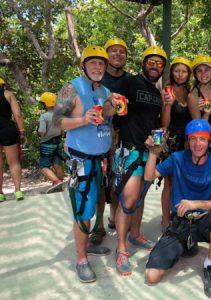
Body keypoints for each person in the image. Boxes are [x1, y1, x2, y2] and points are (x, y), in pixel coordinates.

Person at [53, 45, 121, 283]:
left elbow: (108, 121)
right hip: (80, 159)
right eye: (92, 63)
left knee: (95, 203)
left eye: (101, 63)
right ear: (83, 65)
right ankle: (81, 259)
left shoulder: (105, 90)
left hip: (99, 158)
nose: (97, 66)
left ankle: (88, 246)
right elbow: (57, 121)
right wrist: (83, 119)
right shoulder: (72, 88)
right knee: (83, 210)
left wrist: (115, 106)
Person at [144, 119, 211, 298]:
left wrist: (194, 203)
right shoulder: (177, 159)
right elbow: (149, 176)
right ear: (188, 140)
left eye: (202, 139)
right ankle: (186, 245)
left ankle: (210, 263)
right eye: (193, 139)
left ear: (209, 141)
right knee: (151, 276)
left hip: (204, 219)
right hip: (181, 221)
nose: (197, 144)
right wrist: (153, 153)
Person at [111, 45, 167, 276]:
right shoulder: (129, 82)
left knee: (141, 196)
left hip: (147, 151)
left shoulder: (156, 93)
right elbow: (114, 105)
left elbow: (156, 121)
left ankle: (135, 234)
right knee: (129, 199)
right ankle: (121, 248)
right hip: (130, 149)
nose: (155, 66)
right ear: (143, 63)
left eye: (160, 63)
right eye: (151, 62)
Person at [88, 37, 133, 246]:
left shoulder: (131, 80)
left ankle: (114, 218)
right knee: (99, 182)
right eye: (113, 51)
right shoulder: (97, 79)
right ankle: (98, 225)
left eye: (121, 51)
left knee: (117, 181)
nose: (118, 54)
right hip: (98, 137)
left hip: (122, 138)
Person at [160, 56, 192, 232]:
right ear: (172, 72)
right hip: (173, 141)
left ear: (189, 73)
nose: (180, 74)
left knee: (185, 181)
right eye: (177, 70)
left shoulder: (191, 91)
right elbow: (164, 123)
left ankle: (180, 215)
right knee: (170, 183)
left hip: (189, 142)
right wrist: (167, 105)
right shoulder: (168, 90)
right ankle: (166, 220)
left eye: (184, 71)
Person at [188, 54, 211, 153]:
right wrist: (206, 114)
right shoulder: (193, 96)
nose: (203, 74)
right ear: (195, 74)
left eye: (207, 70)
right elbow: (198, 128)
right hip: (204, 143)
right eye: (199, 71)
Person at [0, 77, 26, 202]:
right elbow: (17, 115)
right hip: (7, 130)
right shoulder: (8, 94)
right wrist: (21, 132)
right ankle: (17, 191)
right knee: (14, 162)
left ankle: (0, 194)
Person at [38, 92, 64, 193]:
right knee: (57, 163)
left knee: (43, 166)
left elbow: (42, 132)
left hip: (47, 144)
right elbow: (62, 130)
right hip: (58, 142)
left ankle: (56, 182)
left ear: (45, 104)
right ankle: (60, 185)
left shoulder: (44, 116)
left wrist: (38, 132)